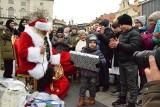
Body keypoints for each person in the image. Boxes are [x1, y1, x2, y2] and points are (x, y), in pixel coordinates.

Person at [17, 19, 69, 99]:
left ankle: (46, 87)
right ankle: (40, 90)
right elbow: (22, 52)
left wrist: (56, 62)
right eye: (44, 30)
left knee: (56, 70)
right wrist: (38, 52)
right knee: (49, 70)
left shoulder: (44, 35)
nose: (46, 32)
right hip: (29, 63)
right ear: (38, 29)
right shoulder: (26, 34)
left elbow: (51, 50)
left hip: (42, 61)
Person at [109, 14, 142, 107]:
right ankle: (123, 98)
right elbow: (120, 47)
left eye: (121, 25)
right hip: (122, 62)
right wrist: (113, 46)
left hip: (131, 63)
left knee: (132, 84)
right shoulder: (122, 34)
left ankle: (132, 102)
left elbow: (134, 47)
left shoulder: (135, 33)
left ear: (126, 23)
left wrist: (118, 45)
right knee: (123, 82)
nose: (120, 27)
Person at [77, 34, 106, 107]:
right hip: (84, 73)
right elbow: (77, 58)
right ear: (87, 43)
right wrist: (74, 61)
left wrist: (100, 63)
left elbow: (103, 60)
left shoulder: (98, 51)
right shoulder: (83, 50)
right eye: (90, 42)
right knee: (82, 87)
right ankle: (81, 99)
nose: (92, 44)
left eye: (94, 42)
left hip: (93, 74)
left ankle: (92, 98)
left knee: (92, 87)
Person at [96, 19, 112, 92]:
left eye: (101, 25)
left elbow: (108, 41)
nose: (99, 26)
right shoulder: (100, 31)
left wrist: (102, 33)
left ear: (104, 26)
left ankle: (106, 84)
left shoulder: (109, 31)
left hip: (105, 53)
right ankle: (101, 82)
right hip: (99, 52)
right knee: (100, 69)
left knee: (105, 69)